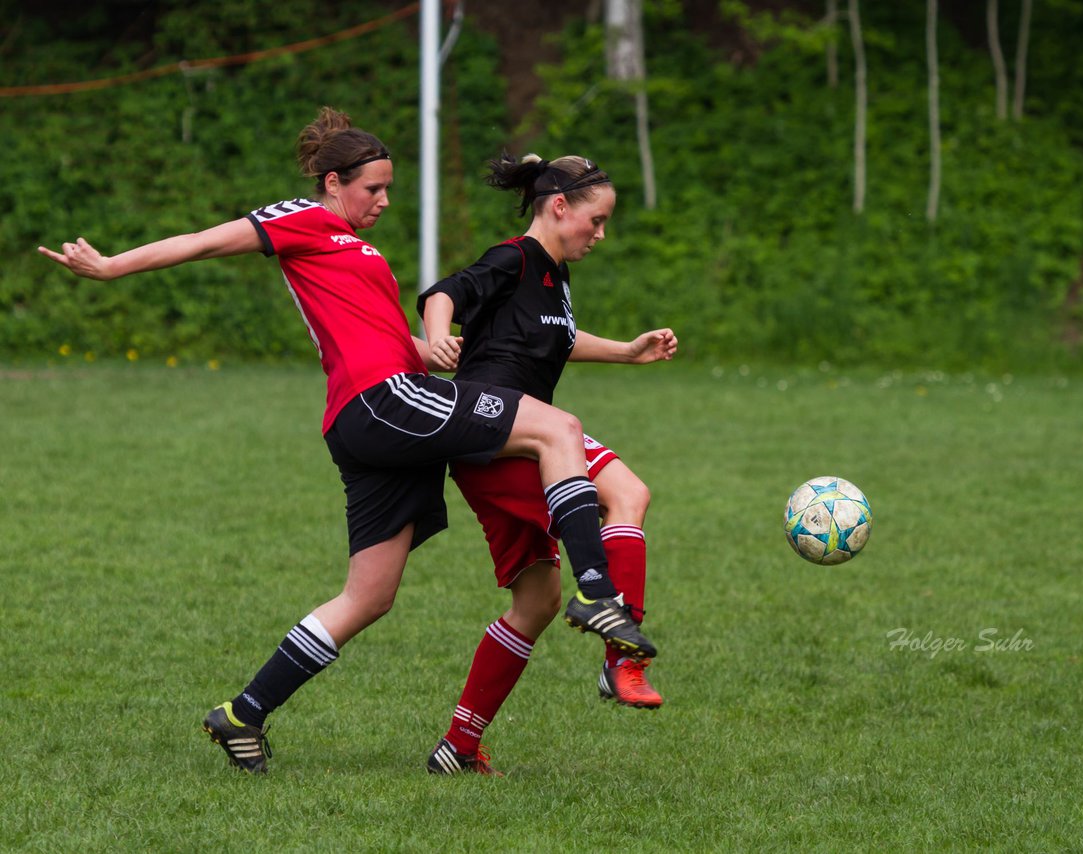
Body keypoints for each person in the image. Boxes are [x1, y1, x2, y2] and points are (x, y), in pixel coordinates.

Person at [36, 108, 655, 775]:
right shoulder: (302, 219)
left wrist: (455, 345)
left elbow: (406, 344)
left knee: (369, 596)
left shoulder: (365, 258)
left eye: (388, 189)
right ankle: (598, 592)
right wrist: (112, 267)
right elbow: (205, 242)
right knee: (556, 427)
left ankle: (244, 713)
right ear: (333, 182)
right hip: (380, 401)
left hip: (382, 414)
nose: (384, 201)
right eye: (373, 189)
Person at [418, 153, 675, 776]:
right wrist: (438, 335)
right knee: (628, 495)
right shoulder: (515, 258)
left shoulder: (555, 276)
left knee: (534, 601)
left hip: (522, 442)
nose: (601, 233)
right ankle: (622, 656)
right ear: (559, 207)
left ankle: (458, 747)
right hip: (496, 434)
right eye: (597, 219)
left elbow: (557, 339)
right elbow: (445, 292)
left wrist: (626, 352)